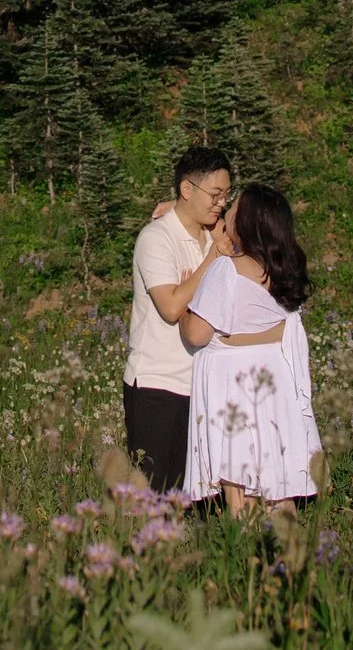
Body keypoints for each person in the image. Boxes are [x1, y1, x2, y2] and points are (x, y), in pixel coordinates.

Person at [180, 184, 320, 514]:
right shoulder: (284, 272)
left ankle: (245, 555)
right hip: (276, 382)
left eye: (235, 207)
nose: (227, 209)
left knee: (240, 484)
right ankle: (289, 554)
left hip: (235, 385)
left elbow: (197, 333)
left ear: (249, 221)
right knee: (277, 479)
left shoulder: (226, 270)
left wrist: (188, 305)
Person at [123, 147, 231, 493]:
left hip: (199, 385)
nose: (221, 203)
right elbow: (170, 307)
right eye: (215, 195)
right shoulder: (156, 239)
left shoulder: (213, 234)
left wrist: (213, 243)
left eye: (226, 195)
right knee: (155, 496)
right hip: (158, 384)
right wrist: (210, 260)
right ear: (187, 190)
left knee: (195, 498)